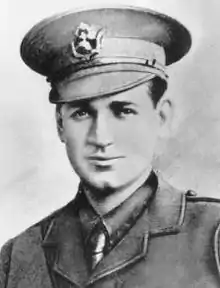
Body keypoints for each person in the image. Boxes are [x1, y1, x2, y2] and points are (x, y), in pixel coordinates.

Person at [1, 5, 220, 288]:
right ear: (59, 125)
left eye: (123, 110)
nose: (101, 137)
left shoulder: (213, 236)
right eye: (82, 112)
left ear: (162, 117)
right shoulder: (18, 256)